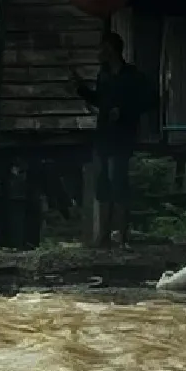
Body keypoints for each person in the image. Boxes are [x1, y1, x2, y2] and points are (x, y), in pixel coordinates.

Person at [75, 33, 156, 247]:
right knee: (103, 182)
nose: (99, 53)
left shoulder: (132, 76)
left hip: (122, 135)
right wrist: (82, 89)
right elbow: (100, 101)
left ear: (111, 49)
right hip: (104, 134)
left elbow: (149, 101)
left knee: (118, 180)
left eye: (102, 48)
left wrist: (124, 111)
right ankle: (103, 235)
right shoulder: (104, 76)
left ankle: (120, 234)